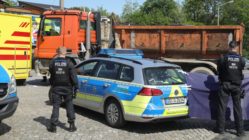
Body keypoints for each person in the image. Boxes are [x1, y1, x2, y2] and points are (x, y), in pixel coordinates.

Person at [215, 41, 245, 137]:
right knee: (237, 108)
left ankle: (220, 129)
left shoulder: (223, 58)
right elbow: (241, 69)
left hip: (225, 85)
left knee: (222, 107)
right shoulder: (241, 59)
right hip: (236, 86)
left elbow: (218, 70)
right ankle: (240, 131)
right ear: (236, 47)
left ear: (229, 47)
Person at [47, 46, 78, 133]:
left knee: (56, 106)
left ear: (58, 52)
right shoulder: (69, 63)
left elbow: (51, 75)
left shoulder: (53, 62)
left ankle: (53, 126)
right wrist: (76, 87)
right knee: (69, 105)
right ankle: (71, 125)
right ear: (65, 53)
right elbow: (74, 77)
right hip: (67, 88)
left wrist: (52, 84)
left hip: (56, 87)